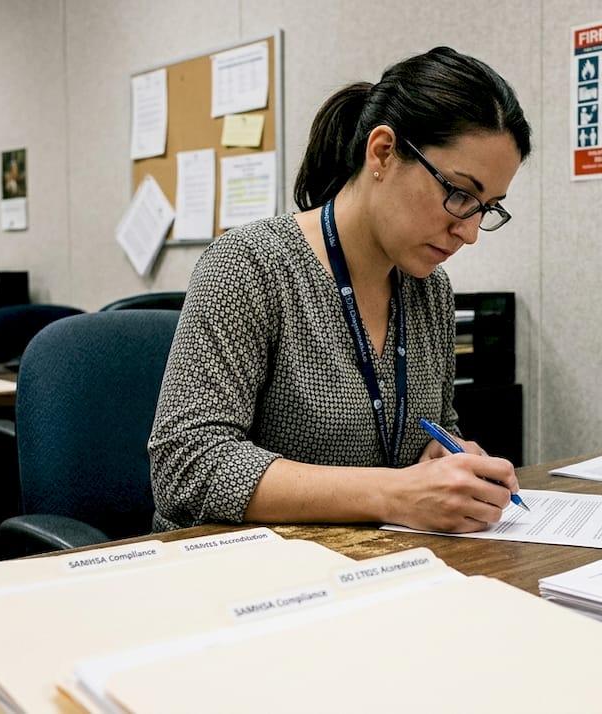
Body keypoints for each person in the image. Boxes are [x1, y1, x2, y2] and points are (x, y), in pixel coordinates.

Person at [149, 46, 532, 534]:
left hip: (370, 565)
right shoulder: (251, 266)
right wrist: (394, 493)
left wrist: (445, 458)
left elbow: (437, 425)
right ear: (383, 152)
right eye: (459, 194)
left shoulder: (429, 290)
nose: (470, 231)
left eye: (488, 207)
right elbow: (187, 466)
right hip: (240, 572)